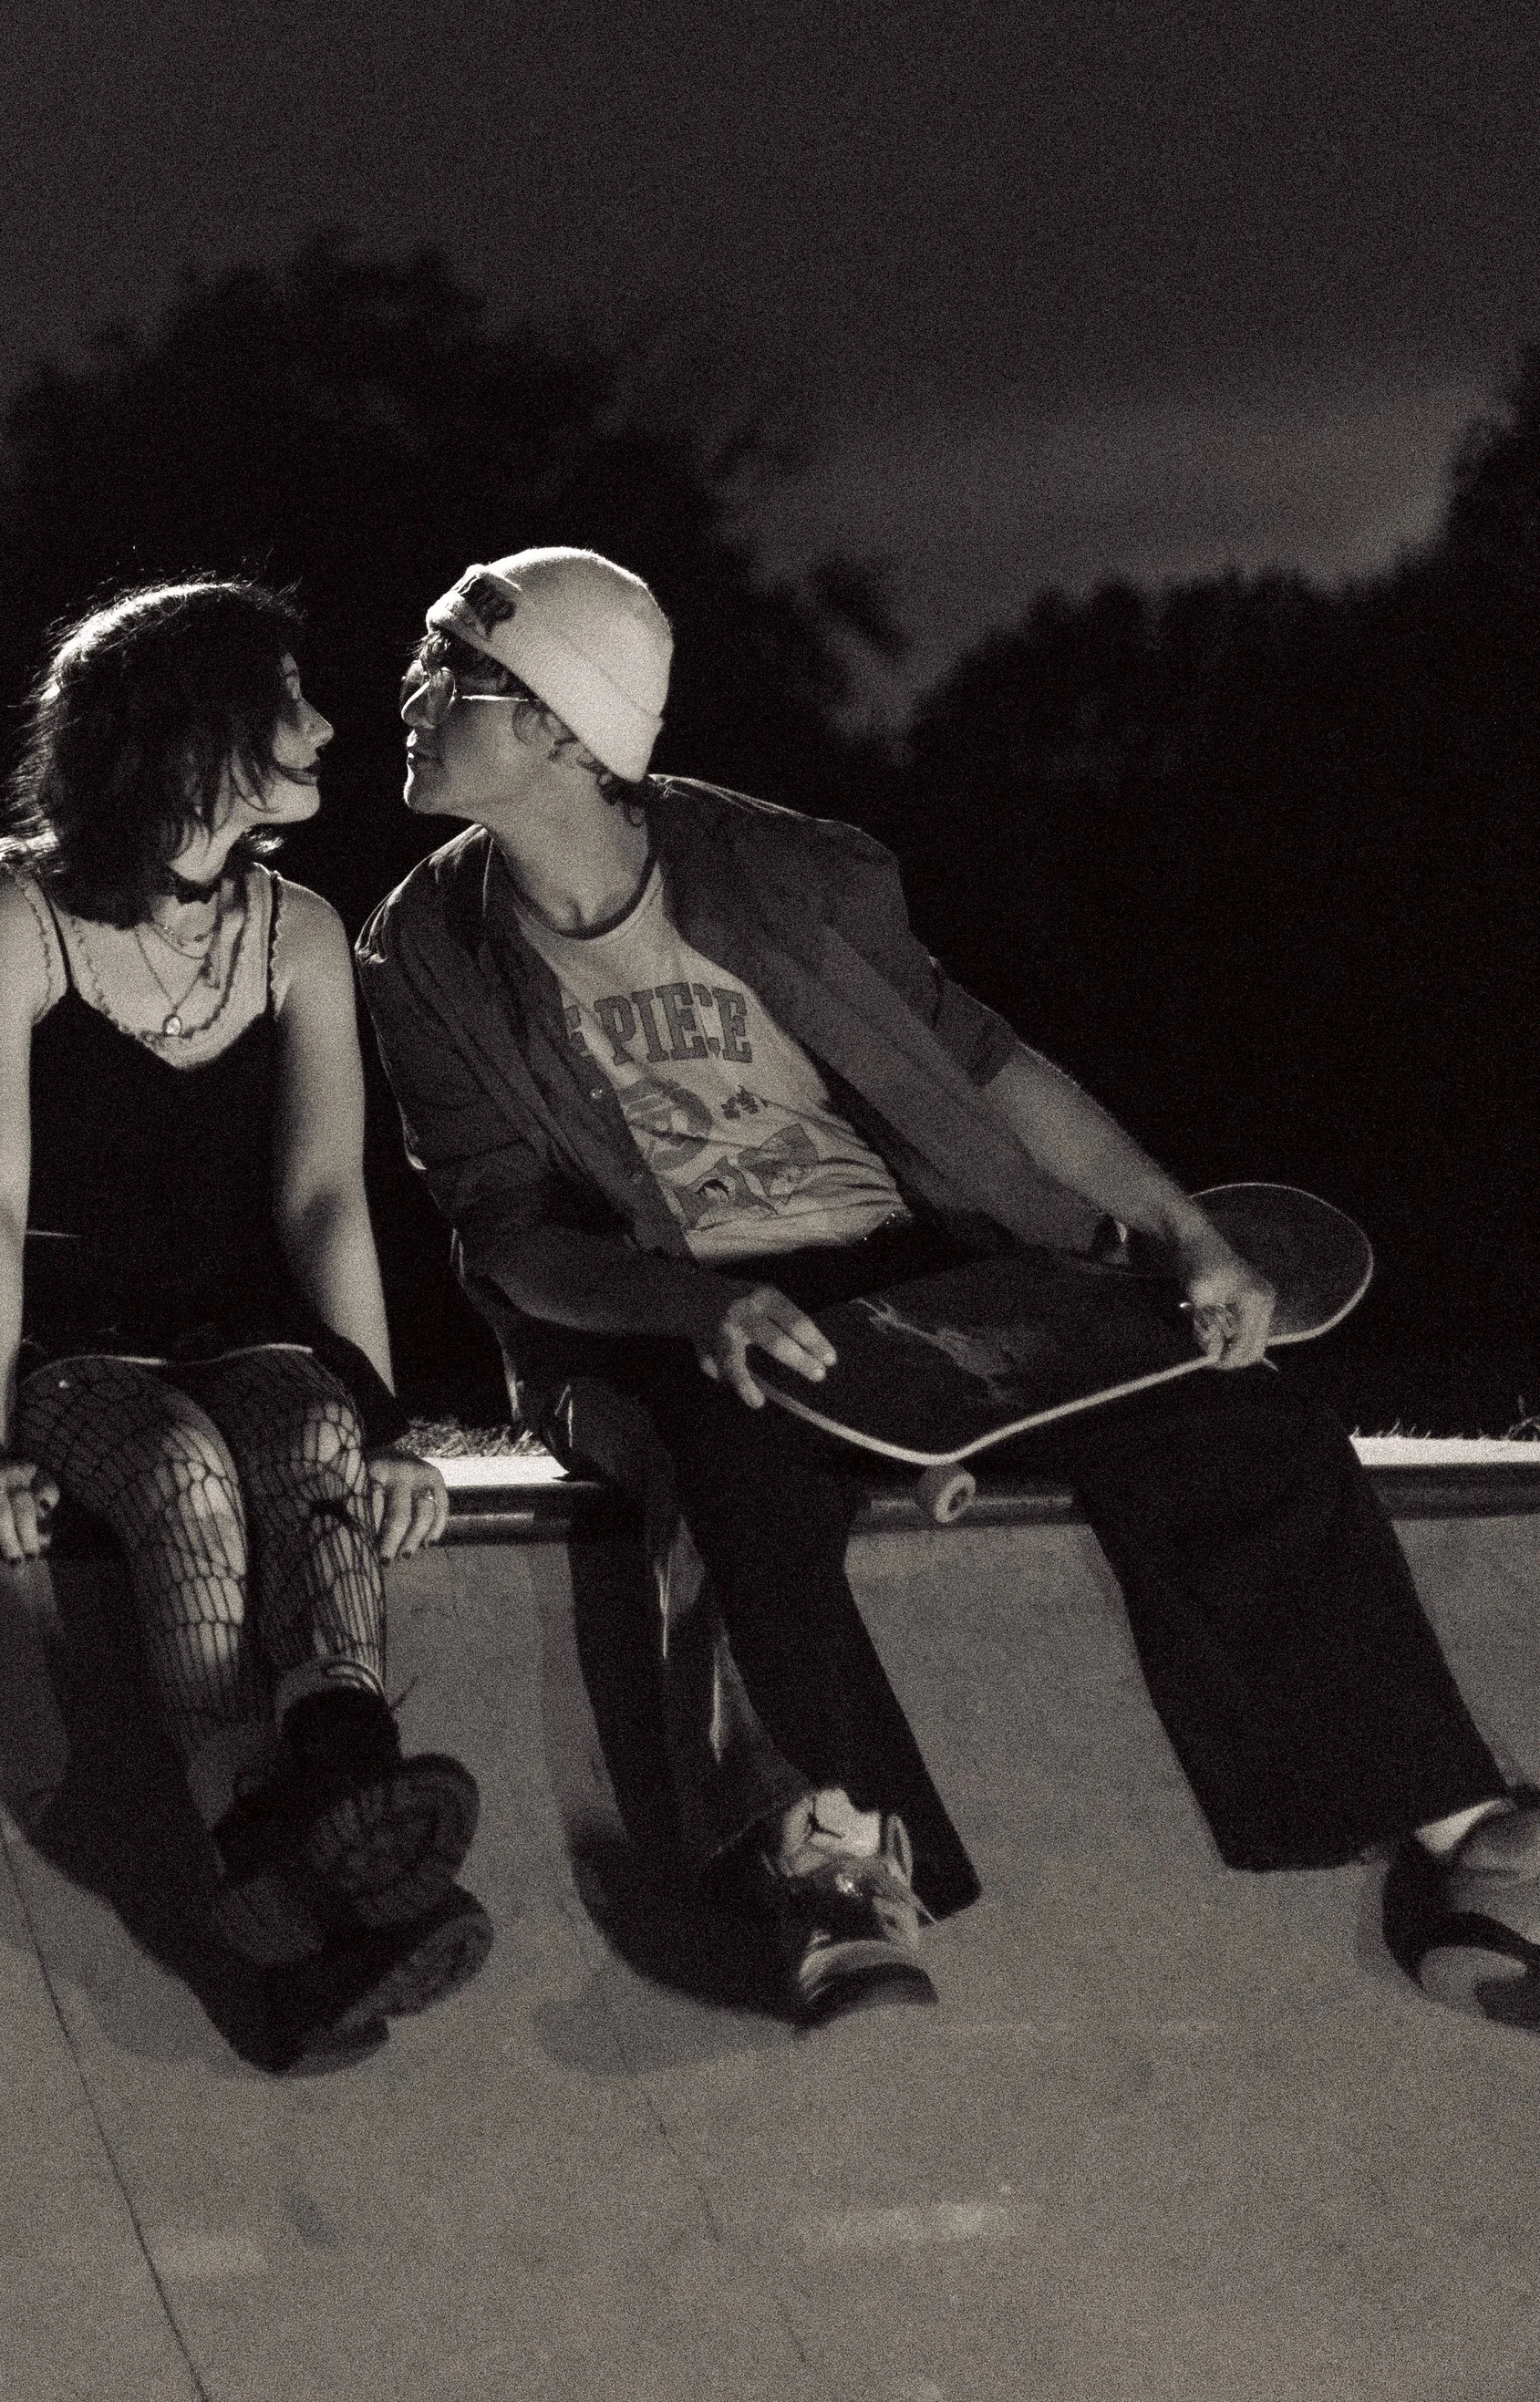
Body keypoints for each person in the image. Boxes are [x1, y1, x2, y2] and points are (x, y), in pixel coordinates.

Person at [355, 544, 1538, 2029]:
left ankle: (1462, 1834)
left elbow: (985, 1062)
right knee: (721, 1464)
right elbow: (506, 1231)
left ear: (552, 726)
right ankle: (832, 1862)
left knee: (1237, 1421)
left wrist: (1179, 1229)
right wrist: (687, 1309)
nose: (405, 695)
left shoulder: (779, 870)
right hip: (684, 1305)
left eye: (442, 672)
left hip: (926, 1268)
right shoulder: (421, 954)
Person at [0, 575, 490, 2066]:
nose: (319, 725)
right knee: (177, 1464)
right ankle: (276, 1867)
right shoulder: (16, 919)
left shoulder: (298, 928)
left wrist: (381, 1418)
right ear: (185, 739)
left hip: (236, 1324)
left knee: (302, 1427)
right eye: (282, 701)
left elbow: (323, 1201)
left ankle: (350, 1818)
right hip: (70, 1338)